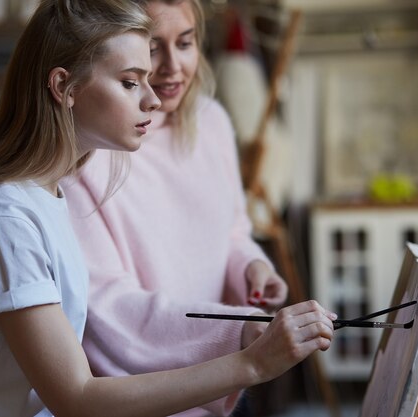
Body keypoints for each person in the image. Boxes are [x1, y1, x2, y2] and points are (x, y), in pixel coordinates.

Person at [0, 1, 336, 416]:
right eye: (129, 82)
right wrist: (251, 364)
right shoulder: (2, 217)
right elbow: (76, 397)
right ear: (63, 86)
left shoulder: (45, 196)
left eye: (182, 45)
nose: (153, 98)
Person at [63, 1, 295, 416]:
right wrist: (238, 328)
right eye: (152, 48)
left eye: (185, 43)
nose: (172, 67)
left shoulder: (212, 122)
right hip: (143, 398)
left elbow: (233, 231)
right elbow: (108, 308)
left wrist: (249, 268)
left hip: (227, 380)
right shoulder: (87, 157)